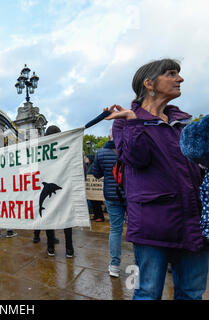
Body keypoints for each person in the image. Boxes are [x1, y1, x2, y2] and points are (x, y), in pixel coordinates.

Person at [105, 58, 208, 300]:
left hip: (192, 220)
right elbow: (136, 158)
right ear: (149, 83)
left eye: (178, 74)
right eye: (171, 74)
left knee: (192, 293)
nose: (180, 79)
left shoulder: (183, 122)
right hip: (153, 224)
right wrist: (133, 122)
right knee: (148, 292)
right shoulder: (125, 122)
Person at [32, 125, 74, 258]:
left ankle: (50, 247)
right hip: (64, 189)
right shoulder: (66, 149)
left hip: (51, 188)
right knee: (67, 218)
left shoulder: (41, 151)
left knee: (49, 217)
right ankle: (69, 249)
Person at [91, 127, 127, 277]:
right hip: (131, 195)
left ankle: (115, 265)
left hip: (112, 196)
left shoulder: (101, 153)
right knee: (136, 228)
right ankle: (139, 263)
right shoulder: (130, 149)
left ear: (108, 137)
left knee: (115, 230)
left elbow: (96, 174)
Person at [85, 154, 105, 222]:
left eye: (87, 158)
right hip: (91, 188)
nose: (85, 159)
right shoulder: (88, 166)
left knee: (97, 203)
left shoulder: (93, 165)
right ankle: (96, 215)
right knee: (93, 202)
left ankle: (100, 216)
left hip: (95, 188)